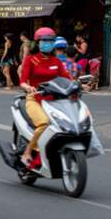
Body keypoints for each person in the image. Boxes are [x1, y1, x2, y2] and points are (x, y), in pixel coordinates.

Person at [19, 27, 72, 167]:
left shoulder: (56, 61)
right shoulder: (31, 60)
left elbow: (67, 78)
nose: (47, 43)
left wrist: (80, 85)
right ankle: (28, 152)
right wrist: (28, 87)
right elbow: (22, 81)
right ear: (38, 43)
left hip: (54, 100)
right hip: (34, 99)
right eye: (44, 41)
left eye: (50, 41)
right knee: (44, 123)